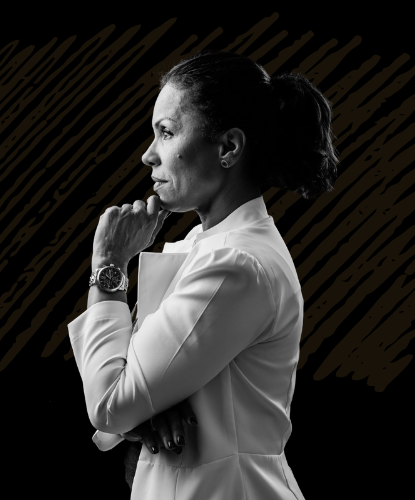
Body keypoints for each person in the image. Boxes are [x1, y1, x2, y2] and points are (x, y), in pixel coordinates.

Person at [67, 49, 338, 499]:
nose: (148, 155)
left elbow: (108, 402)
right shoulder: (203, 247)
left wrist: (109, 264)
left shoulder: (237, 266)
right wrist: (142, 414)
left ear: (228, 148)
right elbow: (121, 397)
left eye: (167, 132)